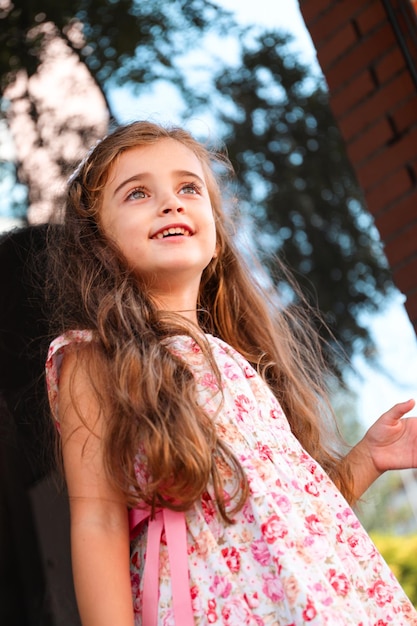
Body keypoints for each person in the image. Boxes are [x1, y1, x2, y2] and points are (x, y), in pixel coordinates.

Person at [45, 120, 417, 626]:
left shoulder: (238, 362)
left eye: (188, 187)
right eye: (137, 193)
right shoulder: (95, 360)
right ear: (99, 244)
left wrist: (367, 459)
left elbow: (290, 510)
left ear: (217, 239)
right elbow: (98, 521)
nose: (171, 203)